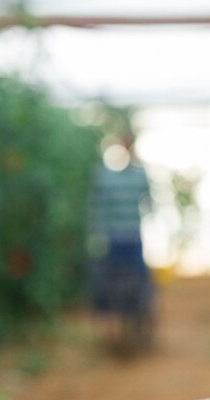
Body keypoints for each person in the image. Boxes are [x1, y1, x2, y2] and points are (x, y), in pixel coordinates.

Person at [88, 132, 154, 352]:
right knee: (112, 284)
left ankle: (138, 321)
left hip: (130, 237)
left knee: (137, 283)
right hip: (116, 238)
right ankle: (115, 326)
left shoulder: (136, 175)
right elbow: (98, 208)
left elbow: (148, 204)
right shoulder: (106, 176)